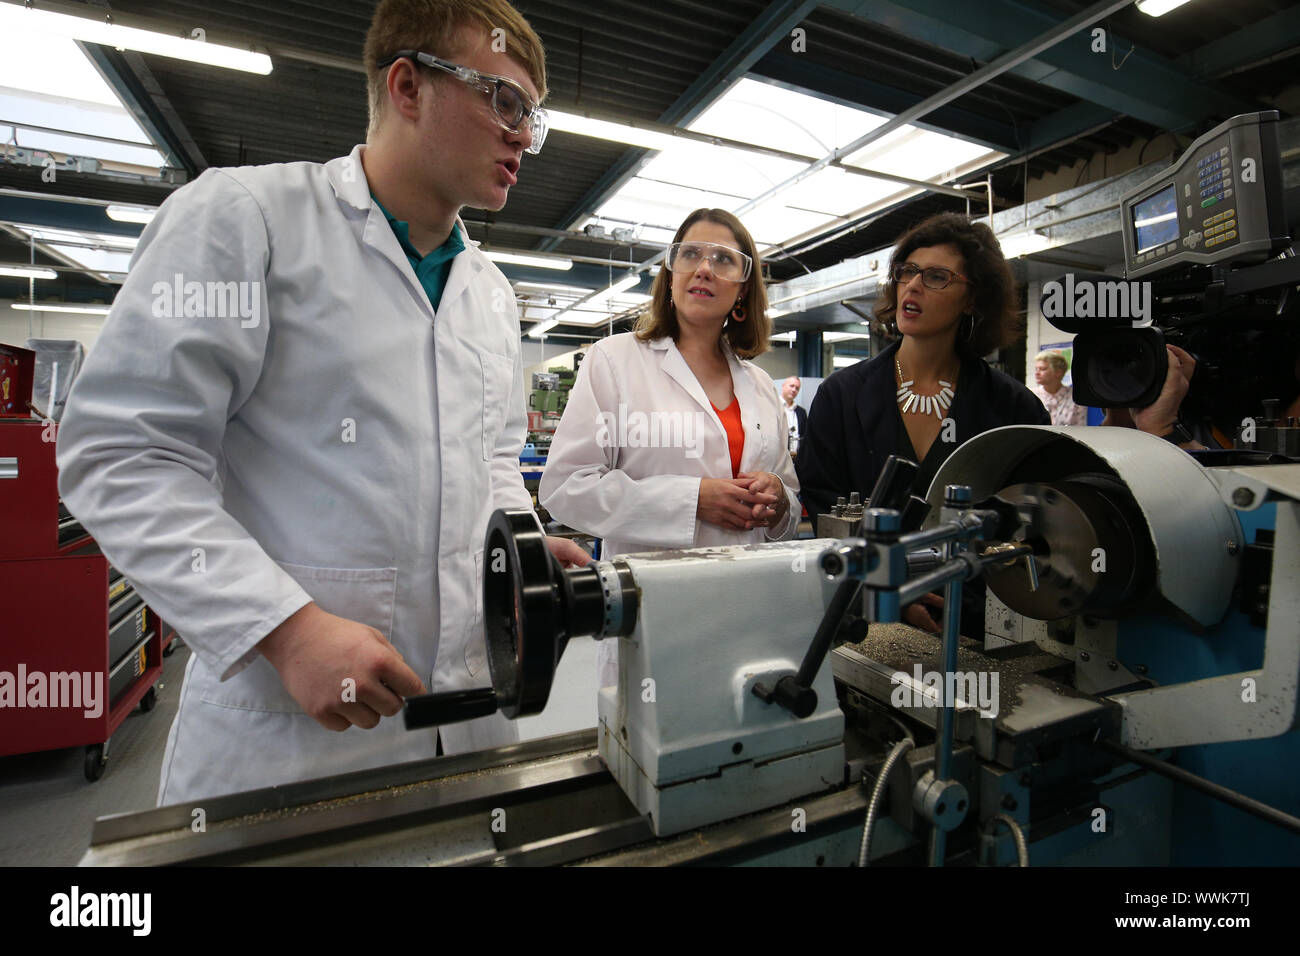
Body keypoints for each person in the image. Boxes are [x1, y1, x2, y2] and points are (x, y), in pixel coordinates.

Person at [55, 0, 587, 806]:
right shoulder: (248, 221)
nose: (523, 135)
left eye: (533, 118)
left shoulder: (490, 293)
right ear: (407, 86)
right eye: (504, 101)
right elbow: (122, 455)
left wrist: (520, 548)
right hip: (290, 745)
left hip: (471, 724)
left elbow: (491, 463)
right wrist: (286, 628)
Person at [539, 208, 800, 684]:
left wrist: (779, 501)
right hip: (652, 608)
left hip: (751, 609)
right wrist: (691, 500)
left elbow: (790, 500)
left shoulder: (761, 385)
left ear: (742, 288)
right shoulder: (615, 361)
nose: (704, 267)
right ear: (671, 273)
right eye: (690, 254)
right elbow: (563, 488)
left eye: (724, 259)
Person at [796, 212, 1048, 634]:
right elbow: (825, 508)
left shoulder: (1014, 408)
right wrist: (891, 588)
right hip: (863, 615)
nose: (912, 286)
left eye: (936, 277)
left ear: (972, 300)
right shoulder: (841, 395)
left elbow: (1024, 522)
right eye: (907, 272)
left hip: (974, 621)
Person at [1032, 350, 1088, 425]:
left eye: (1043, 369)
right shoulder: (1032, 395)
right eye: (1036, 369)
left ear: (1058, 372)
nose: (1037, 373)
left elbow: (1080, 427)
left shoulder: (1075, 397)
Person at [782, 376, 808, 456]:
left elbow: (805, 436)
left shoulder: (801, 412)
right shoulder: (774, 407)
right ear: (783, 386)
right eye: (791, 386)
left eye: (797, 388)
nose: (794, 390)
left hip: (797, 457)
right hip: (779, 458)